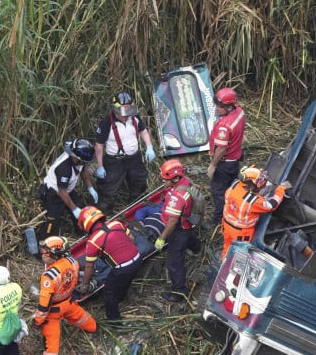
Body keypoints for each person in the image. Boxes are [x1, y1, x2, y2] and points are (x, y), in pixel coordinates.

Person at [31, 236, 97, 355]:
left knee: (52, 346)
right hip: (68, 302)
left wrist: (37, 321)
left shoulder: (49, 276)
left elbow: (44, 304)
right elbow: (73, 280)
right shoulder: (72, 262)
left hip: (53, 312)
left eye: (45, 253)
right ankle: (94, 328)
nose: (42, 255)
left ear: (55, 255)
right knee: (84, 319)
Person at [93, 92, 157, 212]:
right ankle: (106, 213)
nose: (125, 115)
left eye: (128, 111)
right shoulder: (106, 123)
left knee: (138, 181)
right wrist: (100, 166)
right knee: (109, 188)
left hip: (134, 158)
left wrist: (149, 147)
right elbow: (99, 145)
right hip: (114, 161)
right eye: (123, 112)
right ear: (115, 109)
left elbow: (143, 131)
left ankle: (135, 205)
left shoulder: (134, 117)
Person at [78, 206, 141, 325]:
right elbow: (131, 238)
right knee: (125, 280)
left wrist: (85, 284)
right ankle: (121, 298)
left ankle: (114, 321)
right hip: (137, 258)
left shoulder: (92, 241)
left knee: (109, 291)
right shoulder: (116, 224)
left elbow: (89, 267)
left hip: (123, 268)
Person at [155, 160, 203, 303]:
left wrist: (162, 238)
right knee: (188, 238)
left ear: (175, 178)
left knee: (174, 263)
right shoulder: (185, 181)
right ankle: (198, 247)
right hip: (186, 224)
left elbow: (171, 222)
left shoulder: (177, 197)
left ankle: (179, 292)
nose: (163, 181)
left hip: (178, 229)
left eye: (165, 179)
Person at [222, 167, 291, 259]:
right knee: (238, 254)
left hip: (226, 225)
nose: (262, 185)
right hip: (241, 233)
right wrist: (280, 189)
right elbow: (271, 205)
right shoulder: (252, 201)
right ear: (251, 186)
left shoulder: (235, 184)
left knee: (227, 246)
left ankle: (224, 262)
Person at [38, 138, 97, 231]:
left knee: (80, 209)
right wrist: (74, 209)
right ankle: (48, 240)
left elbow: (83, 170)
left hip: (67, 189)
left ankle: (82, 232)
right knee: (53, 218)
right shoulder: (64, 168)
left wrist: (90, 187)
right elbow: (61, 192)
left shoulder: (78, 159)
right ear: (77, 157)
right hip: (54, 193)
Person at [207, 87, 247, 226]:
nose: (216, 109)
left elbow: (221, 148)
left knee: (218, 192)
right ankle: (233, 211)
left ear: (229, 107)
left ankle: (219, 221)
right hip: (235, 160)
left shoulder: (224, 126)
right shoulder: (240, 112)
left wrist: (212, 165)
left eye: (220, 106)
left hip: (224, 164)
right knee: (232, 189)